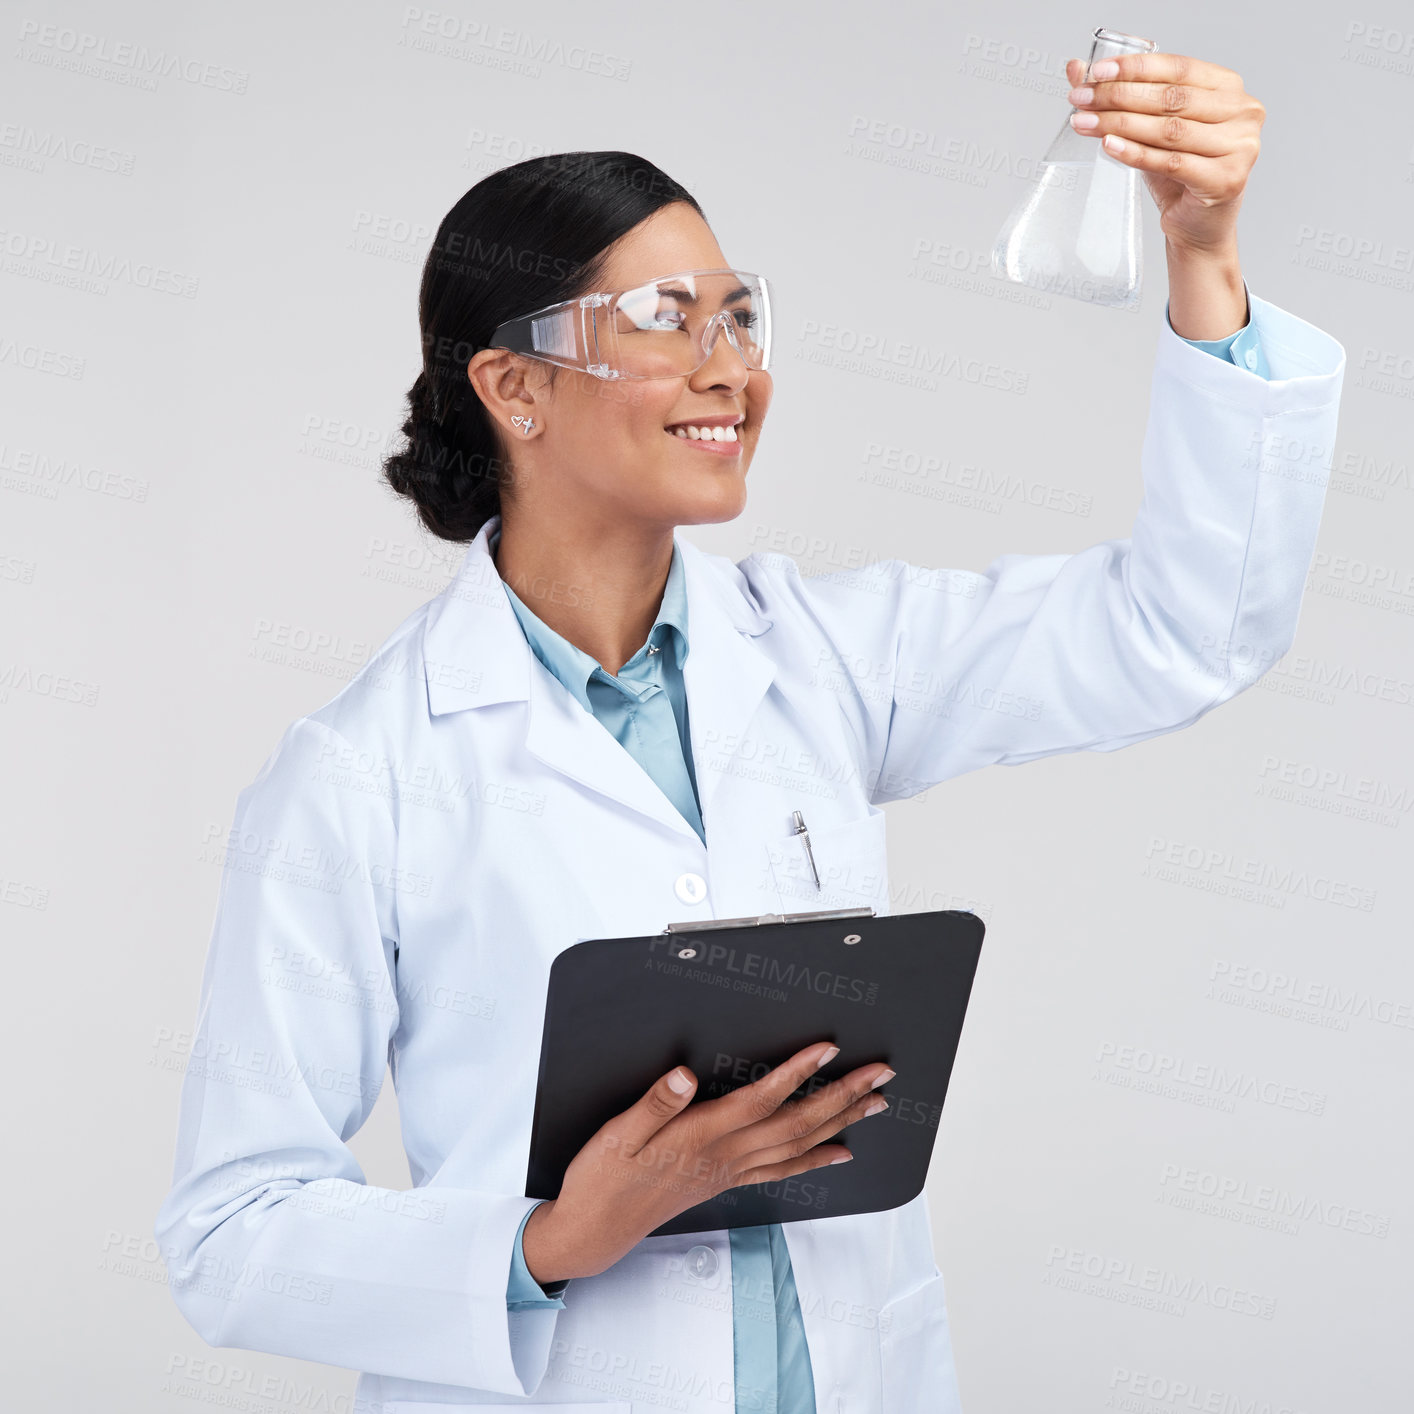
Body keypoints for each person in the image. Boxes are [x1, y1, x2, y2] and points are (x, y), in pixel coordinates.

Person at [156, 55, 1346, 1414]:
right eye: (668, 318)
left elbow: (1184, 627)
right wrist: (554, 1237)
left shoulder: (826, 659)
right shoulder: (364, 772)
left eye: (740, 316)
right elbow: (229, 1230)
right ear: (514, 386)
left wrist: (1203, 254)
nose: (732, 370)